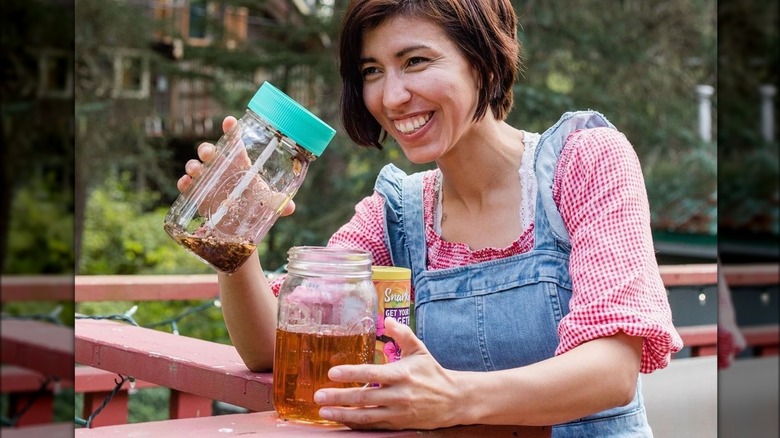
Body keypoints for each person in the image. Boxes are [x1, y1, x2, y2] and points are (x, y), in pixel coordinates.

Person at [177, 0, 683, 435]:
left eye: (415, 61)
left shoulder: (585, 161)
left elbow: (614, 369)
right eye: (372, 70)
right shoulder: (396, 214)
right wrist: (234, 236)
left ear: (483, 62)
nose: (391, 97)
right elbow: (273, 347)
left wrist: (452, 398)